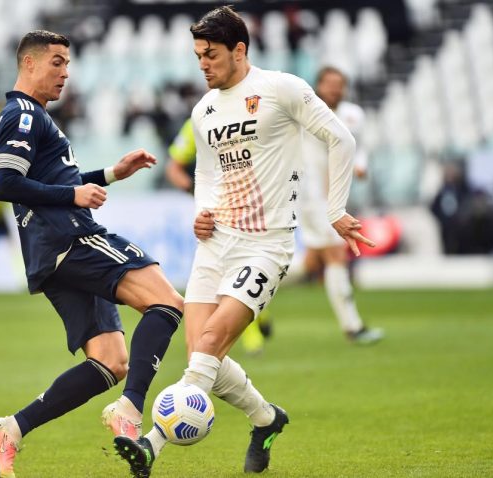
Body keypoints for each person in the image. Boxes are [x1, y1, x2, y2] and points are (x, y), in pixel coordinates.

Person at [114, 7, 374, 477]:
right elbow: (206, 174)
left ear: (239, 50)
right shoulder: (203, 110)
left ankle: (152, 444)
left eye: (210, 55)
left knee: (210, 344)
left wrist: (335, 210)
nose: (203, 65)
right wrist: (201, 212)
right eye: (197, 57)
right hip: (216, 245)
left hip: (265, 245)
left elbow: (342, 139)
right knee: (201, 357)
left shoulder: (281, 89)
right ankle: (266, 417)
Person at [0, 30, 184, 478]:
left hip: (51, 253)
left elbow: (53, 179)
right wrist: (73, 197)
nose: (65, 72)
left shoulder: (34, 117)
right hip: (68, 239)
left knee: (111, 361)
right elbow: (5, 185)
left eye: (68, 64)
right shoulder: (23, 116)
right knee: (167, 301)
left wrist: (111, 173)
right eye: (56, 62)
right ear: (28, 63)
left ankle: (11, 431)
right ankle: (130, 411)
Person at [165, 117, 273, 354]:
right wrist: (196, 194)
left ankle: (258, 318)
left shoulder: (251, 118)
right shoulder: (199, 121)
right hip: (213, 211)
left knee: (248, 264)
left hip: (251, 205)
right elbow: (173, 167)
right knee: (228, 269)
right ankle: (253, 337)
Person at [298, 66, 384, 344]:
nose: (334, 89)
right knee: (336, 253)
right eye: (329, 84)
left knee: (310, 262)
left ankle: (245, 292)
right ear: (318, 85)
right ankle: (353, 326)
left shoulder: (352, 115)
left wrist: (360, 166)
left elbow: (358, 146)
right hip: (311, 197)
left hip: (333, 196)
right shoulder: (305, 110)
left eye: (339, 84)